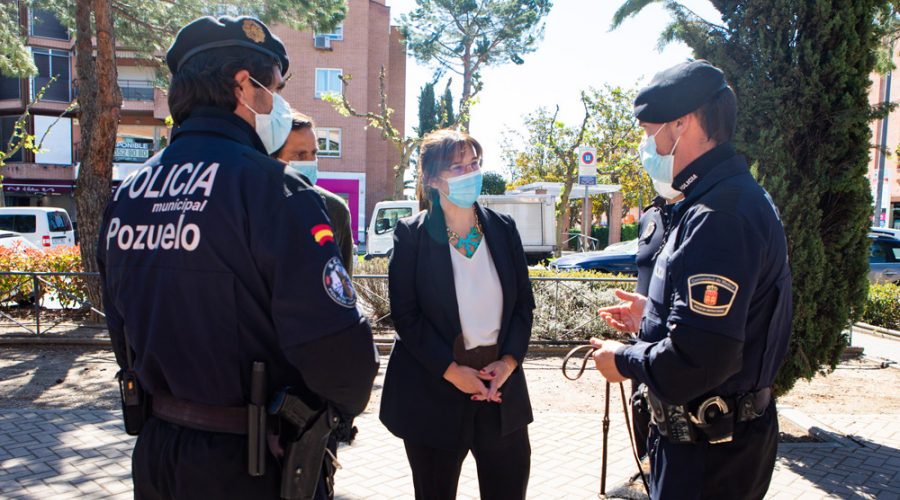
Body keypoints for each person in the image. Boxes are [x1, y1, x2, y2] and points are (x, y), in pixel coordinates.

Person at [96, 16, 378, 500]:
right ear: (245, 87)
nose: (280, 104)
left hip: (158, 453)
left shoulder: (130, 193)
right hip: (250, 462)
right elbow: (343, 360)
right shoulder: (276, 191)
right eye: (277, 88)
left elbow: (123, 337)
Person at [592, 60, 793, 500]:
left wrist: (622, 360)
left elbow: (698, 363)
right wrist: (655, 315)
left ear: (682, 125)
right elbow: (721, 323)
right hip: (711, 446)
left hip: (710, 456)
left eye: (650, 133)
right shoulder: (721, 198)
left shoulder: (719, 216)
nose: (647, 147)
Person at [380, 129, 535, 500]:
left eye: (474, 163)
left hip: (500, 391)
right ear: (432, 179)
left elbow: (522, 305)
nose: (470, 172)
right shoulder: (411, 235)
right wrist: (453, 372)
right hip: (435, 392)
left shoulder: (502, 228)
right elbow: (406, 316)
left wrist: (510, 362)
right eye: (457, 166)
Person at [272, 110, 355, 273]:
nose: (310, 162)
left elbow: (344, 285)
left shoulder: (335, 209)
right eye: (299, 155)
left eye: (314, 154)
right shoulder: (257, 205)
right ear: (274, 159)